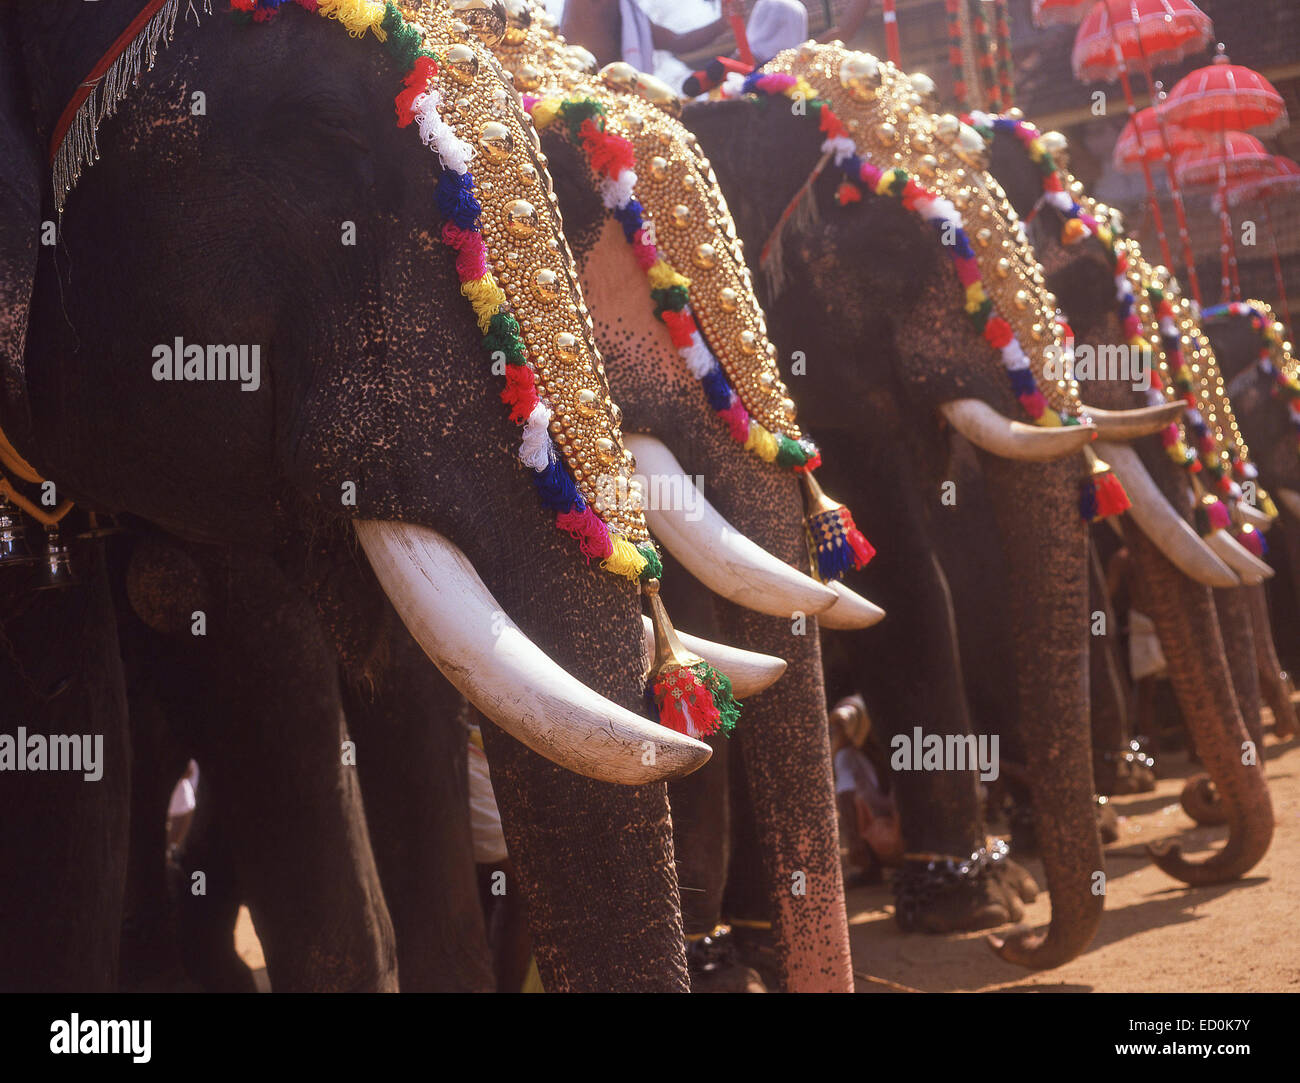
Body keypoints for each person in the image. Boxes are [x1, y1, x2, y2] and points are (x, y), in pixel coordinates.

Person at [560, 0, 729, 71]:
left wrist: (723, 23)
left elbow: (677, 42)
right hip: (584, 97)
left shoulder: (632, 15)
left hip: (624, 101)